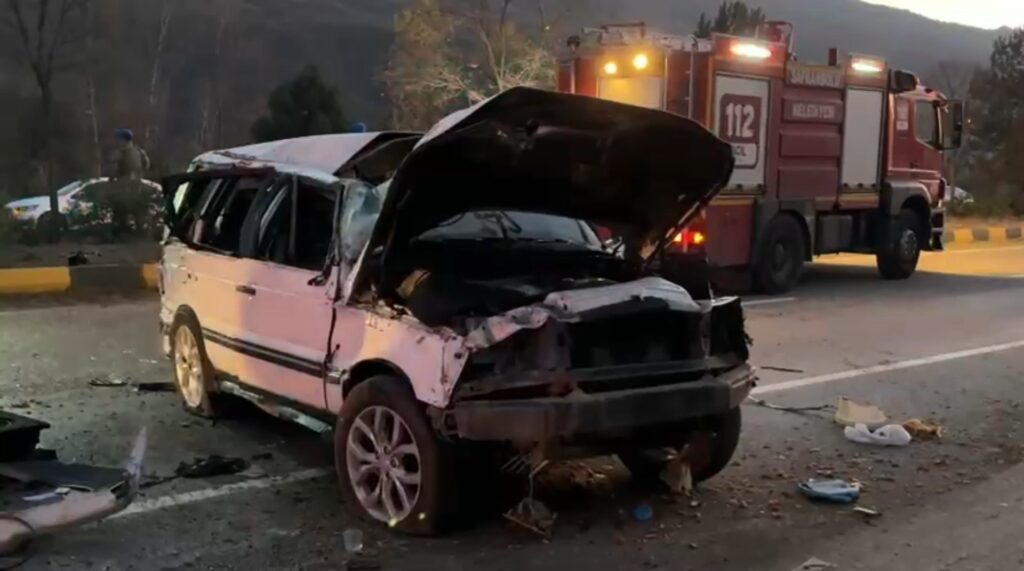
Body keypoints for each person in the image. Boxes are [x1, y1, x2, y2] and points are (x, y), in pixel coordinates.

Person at [106, 129, 151, 237]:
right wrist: (139, 174)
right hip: (136, 184)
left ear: (123, 140)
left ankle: (123, 232)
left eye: (118, 139)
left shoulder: (122, 152)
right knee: (135, 209)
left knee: (121, 208)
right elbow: (147, 164)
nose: (117, 142)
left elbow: (112, 165)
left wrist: (112, 179)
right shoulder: (139, 151)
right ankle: (140, 231)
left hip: (124, 184)